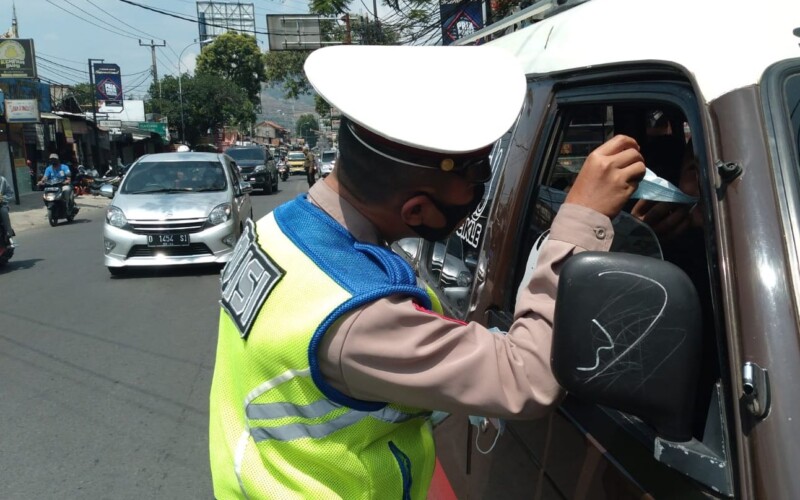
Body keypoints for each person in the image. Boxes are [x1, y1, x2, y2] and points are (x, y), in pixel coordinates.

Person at [208, 45, 645, 499]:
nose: (481, 195)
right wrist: (577, 221)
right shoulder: (359, 312)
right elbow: (527, 377)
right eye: (478, 184)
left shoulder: (273, 229)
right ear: (417, 209)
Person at [0, 173, 16, 247]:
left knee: (4, 212)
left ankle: (9, 233)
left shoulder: (2, 180)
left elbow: (10, 193)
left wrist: (2, 198)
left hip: (1, 204)